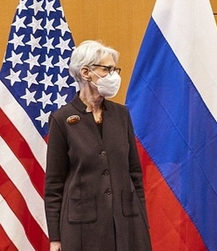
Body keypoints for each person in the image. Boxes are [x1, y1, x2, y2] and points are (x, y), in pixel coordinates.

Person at [44, 40, 152, 251]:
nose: (114, 75)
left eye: (115, 69)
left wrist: (142, 224)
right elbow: (54, 185)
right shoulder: (61, 119)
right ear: (85, 72)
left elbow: (135, 174)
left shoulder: (122, 115)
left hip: (126, 223)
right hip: (82, 228)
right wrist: (55, 238)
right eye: (107, 69)